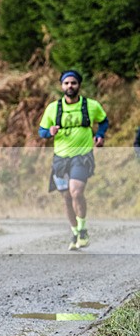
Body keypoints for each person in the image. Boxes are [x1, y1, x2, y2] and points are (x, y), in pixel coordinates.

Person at [39, 70, 108, 251]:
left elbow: (104, 121)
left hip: (82, 156)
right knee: (66, 198)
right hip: (61, 158)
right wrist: (49, 132)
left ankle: (83, 230)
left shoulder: (91, 105)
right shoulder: (53, 108)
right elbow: (41, 131)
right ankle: (75, 232)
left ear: (79, 85)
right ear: (62, 86)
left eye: (73, 83)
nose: (70, 86)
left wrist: (100, 135)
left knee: (76, 192)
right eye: (67, 83)